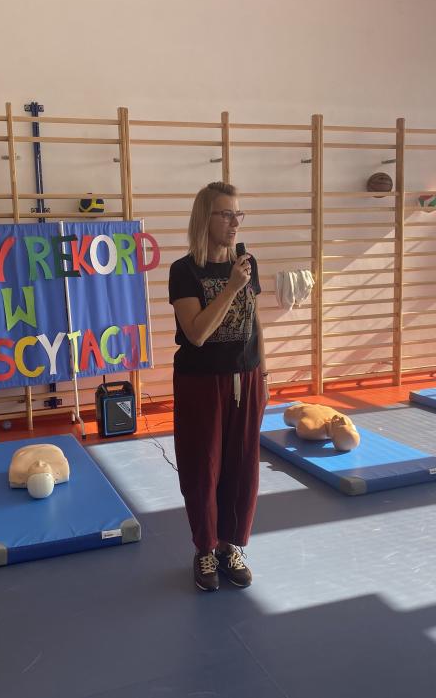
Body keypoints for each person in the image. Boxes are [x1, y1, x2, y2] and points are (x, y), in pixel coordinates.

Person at [168, 181, 269, 592]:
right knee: (203, 468)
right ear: (205, 219)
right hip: (201, 383)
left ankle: (230, 546)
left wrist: (264, 373)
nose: (234, 222)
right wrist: (230, 288)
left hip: (246, 377)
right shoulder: (184, 271)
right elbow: (196, 333)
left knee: (242, 467)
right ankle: (205, 548)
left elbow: (255, 320)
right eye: (226, 214)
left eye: (237, 214)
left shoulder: (247, 263)